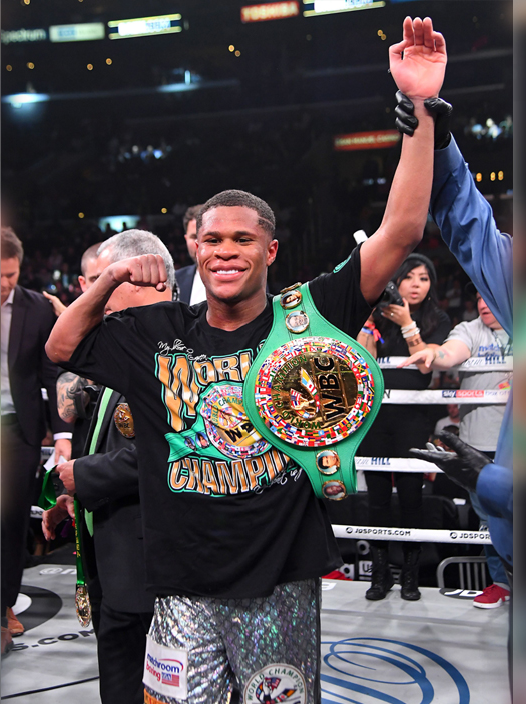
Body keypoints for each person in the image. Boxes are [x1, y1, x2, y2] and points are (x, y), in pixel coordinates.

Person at [45, 16, 447, 699]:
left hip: (279, 582)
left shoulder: (308, 314)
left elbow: (402, 230)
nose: (225, 250)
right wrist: (109, 278)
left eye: (242, 238)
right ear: (194, 250)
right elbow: (62, 346)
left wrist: (422, 106)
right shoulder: (158, 331)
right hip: (178, 589)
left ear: (270, 250)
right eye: (212, 240)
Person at [44, 231, 176, 704]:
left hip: (152, 559)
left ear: (137, 277)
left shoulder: (179, 347)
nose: (93, 293)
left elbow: (178, 449)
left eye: (104, 280)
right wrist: (73, 494)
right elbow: (102, 430)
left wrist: (86, 476)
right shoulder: (124, 343)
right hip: (112, 548)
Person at [404, 289, 511, 607]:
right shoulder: (470, 329)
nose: (482, 304)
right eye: (478, 297)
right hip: (477, 446)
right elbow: (450, 353)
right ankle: (502, 583)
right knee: (488, 520)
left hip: (523, 443)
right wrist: (433, 354)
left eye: (489, 296)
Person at [356, 253, 451, 601]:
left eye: (423, 279)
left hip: (413, 418)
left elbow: (424, 368)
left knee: (412, 496)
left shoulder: (438, 319)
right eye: (409, 277)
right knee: (377, 498)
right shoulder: (379, 316)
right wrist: (368, 321)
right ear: (397, 281)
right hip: (375, 417)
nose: (416, 285)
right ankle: (380, 574)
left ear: (431, 285)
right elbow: (362, 363)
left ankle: (411, 576)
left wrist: (408, 323)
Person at [1, 226, 73, 639]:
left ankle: (4, 603)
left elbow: (53, 375)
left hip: (17, 430)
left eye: (9, 274)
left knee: (10, 520)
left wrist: (61, 434)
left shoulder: (37, 309)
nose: (1, 283)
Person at [174, 204, 205, 305]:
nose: (199, 243)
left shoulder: (239, 279)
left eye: (205, 237)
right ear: (186, 239)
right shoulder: (175, 281)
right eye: (194, 237)